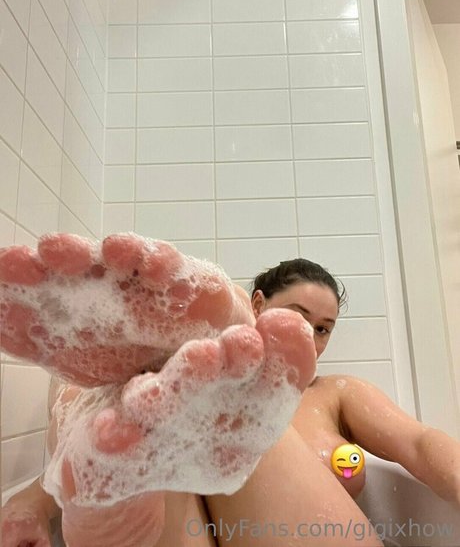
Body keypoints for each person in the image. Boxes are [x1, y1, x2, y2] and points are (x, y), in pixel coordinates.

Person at [1, 234, 459, 547]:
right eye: (297, 317)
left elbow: (419, 443)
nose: (311, 336)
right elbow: (93, 454)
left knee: (232, 410)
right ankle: (119, 488)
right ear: (262, 302)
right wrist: (32, 506)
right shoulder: (179, 391)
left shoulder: (337, 394)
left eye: (323, 328)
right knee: (157, 418)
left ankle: (220, 338)